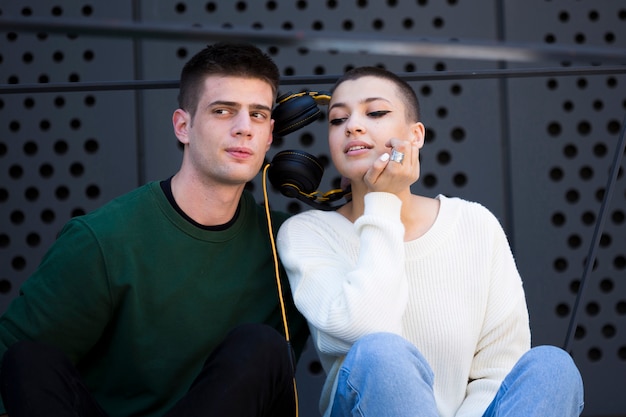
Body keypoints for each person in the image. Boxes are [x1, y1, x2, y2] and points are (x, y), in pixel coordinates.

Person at [0, 42, 308, 417]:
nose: (244, 129)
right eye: (223, 111)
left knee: (262, 346)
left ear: (270, 134)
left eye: (257, 115)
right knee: (28, 360)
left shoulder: (290, 246)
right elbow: (15, 364)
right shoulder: (105, 239)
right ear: (183, 126)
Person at [276, 66, 584, 417]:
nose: (353, 126)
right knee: (383, 353)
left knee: (552, 367)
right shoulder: (308, 233)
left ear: (416, 135)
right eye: (337, 120)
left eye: (375, 112)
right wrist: (383, 201)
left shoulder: (474, 223)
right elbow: (367, 332)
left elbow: (499, 368)